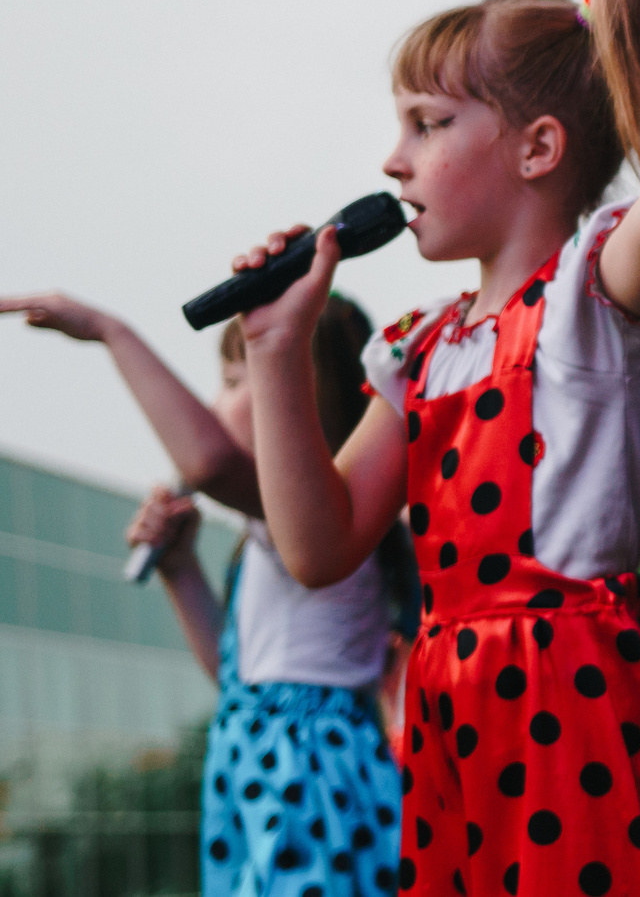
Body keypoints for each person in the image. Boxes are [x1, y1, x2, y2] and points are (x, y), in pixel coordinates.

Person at [229, 0, 640, 897]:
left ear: (538, 148)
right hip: (450, 722)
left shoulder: (587, 294)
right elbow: (317, 546)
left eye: (428, 123)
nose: (394, 159)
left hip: (569, 700)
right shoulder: (416, 350)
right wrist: (275, 352)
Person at [2, 292, 408, 894]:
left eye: (235, 379)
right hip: (264, 769)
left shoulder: (320, 509)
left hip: (309, 775)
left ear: (301, 395)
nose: (218, 403)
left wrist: (113, 331)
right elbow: (239, 677)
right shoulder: (274, 529)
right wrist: (181, 568)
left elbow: (210, 463)